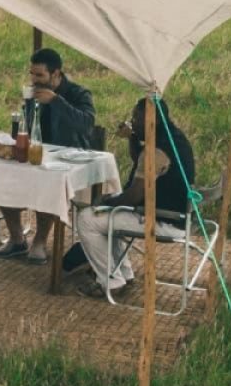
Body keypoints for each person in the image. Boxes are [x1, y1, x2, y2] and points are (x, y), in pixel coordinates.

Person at [67, 99, 197, 300]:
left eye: (136, 118)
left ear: (151, 120)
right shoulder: (175, 138)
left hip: (163, 219)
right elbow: (141, 160)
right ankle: (123, 274)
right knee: (110, 215)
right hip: (178, 214)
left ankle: (111, 282)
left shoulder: (156, 150)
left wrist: (107, 203)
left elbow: (135, 195)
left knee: (87, 218)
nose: (133, 122)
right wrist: (132, 138)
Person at [0, 48, 96, 260]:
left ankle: (40, 241)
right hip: (36, 155)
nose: (34, 79)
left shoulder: (79, 94)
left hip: (66, 159)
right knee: (3, 179)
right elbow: (27, 126)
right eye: (32, 73)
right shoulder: (33, 94)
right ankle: (16, 239)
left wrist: (56, 101)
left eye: (39, 75)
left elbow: (86, 124)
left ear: (56, 74)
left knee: (48, 185)